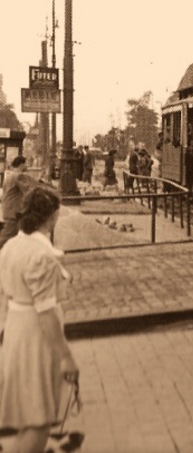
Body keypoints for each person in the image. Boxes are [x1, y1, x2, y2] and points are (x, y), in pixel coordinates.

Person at [0, 186, 79, 453]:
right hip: (36, 336)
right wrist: (66, 356)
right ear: (54, 216)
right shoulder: (42, 256)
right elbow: (46, 313)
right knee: (40, 420)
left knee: (26, 414)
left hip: (15, 333)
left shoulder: (10, 246)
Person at [0, 157, 39, 251]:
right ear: (21, 164)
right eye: (26, 163)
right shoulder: (19, 176)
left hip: (9, 210)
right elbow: (28, 191)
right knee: (6, 237)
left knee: (17, 237)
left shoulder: (9, 175)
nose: (27, 166)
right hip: (14, 213)